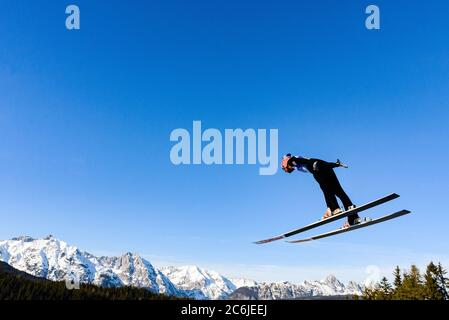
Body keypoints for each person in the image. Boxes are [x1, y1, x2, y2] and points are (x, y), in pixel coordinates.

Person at [281, 154, 360, 227]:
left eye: (284, 168)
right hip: (326, 168)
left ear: (285, 161)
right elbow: (323, 163)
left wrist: (314, 165)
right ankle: (353, 217)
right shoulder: (297, 160)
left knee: (326, 190)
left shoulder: (291, 161)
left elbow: (303, 161)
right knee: (339, 192)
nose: (286, 169)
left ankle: (334, 209)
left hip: (317, 169)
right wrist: (336, 164)